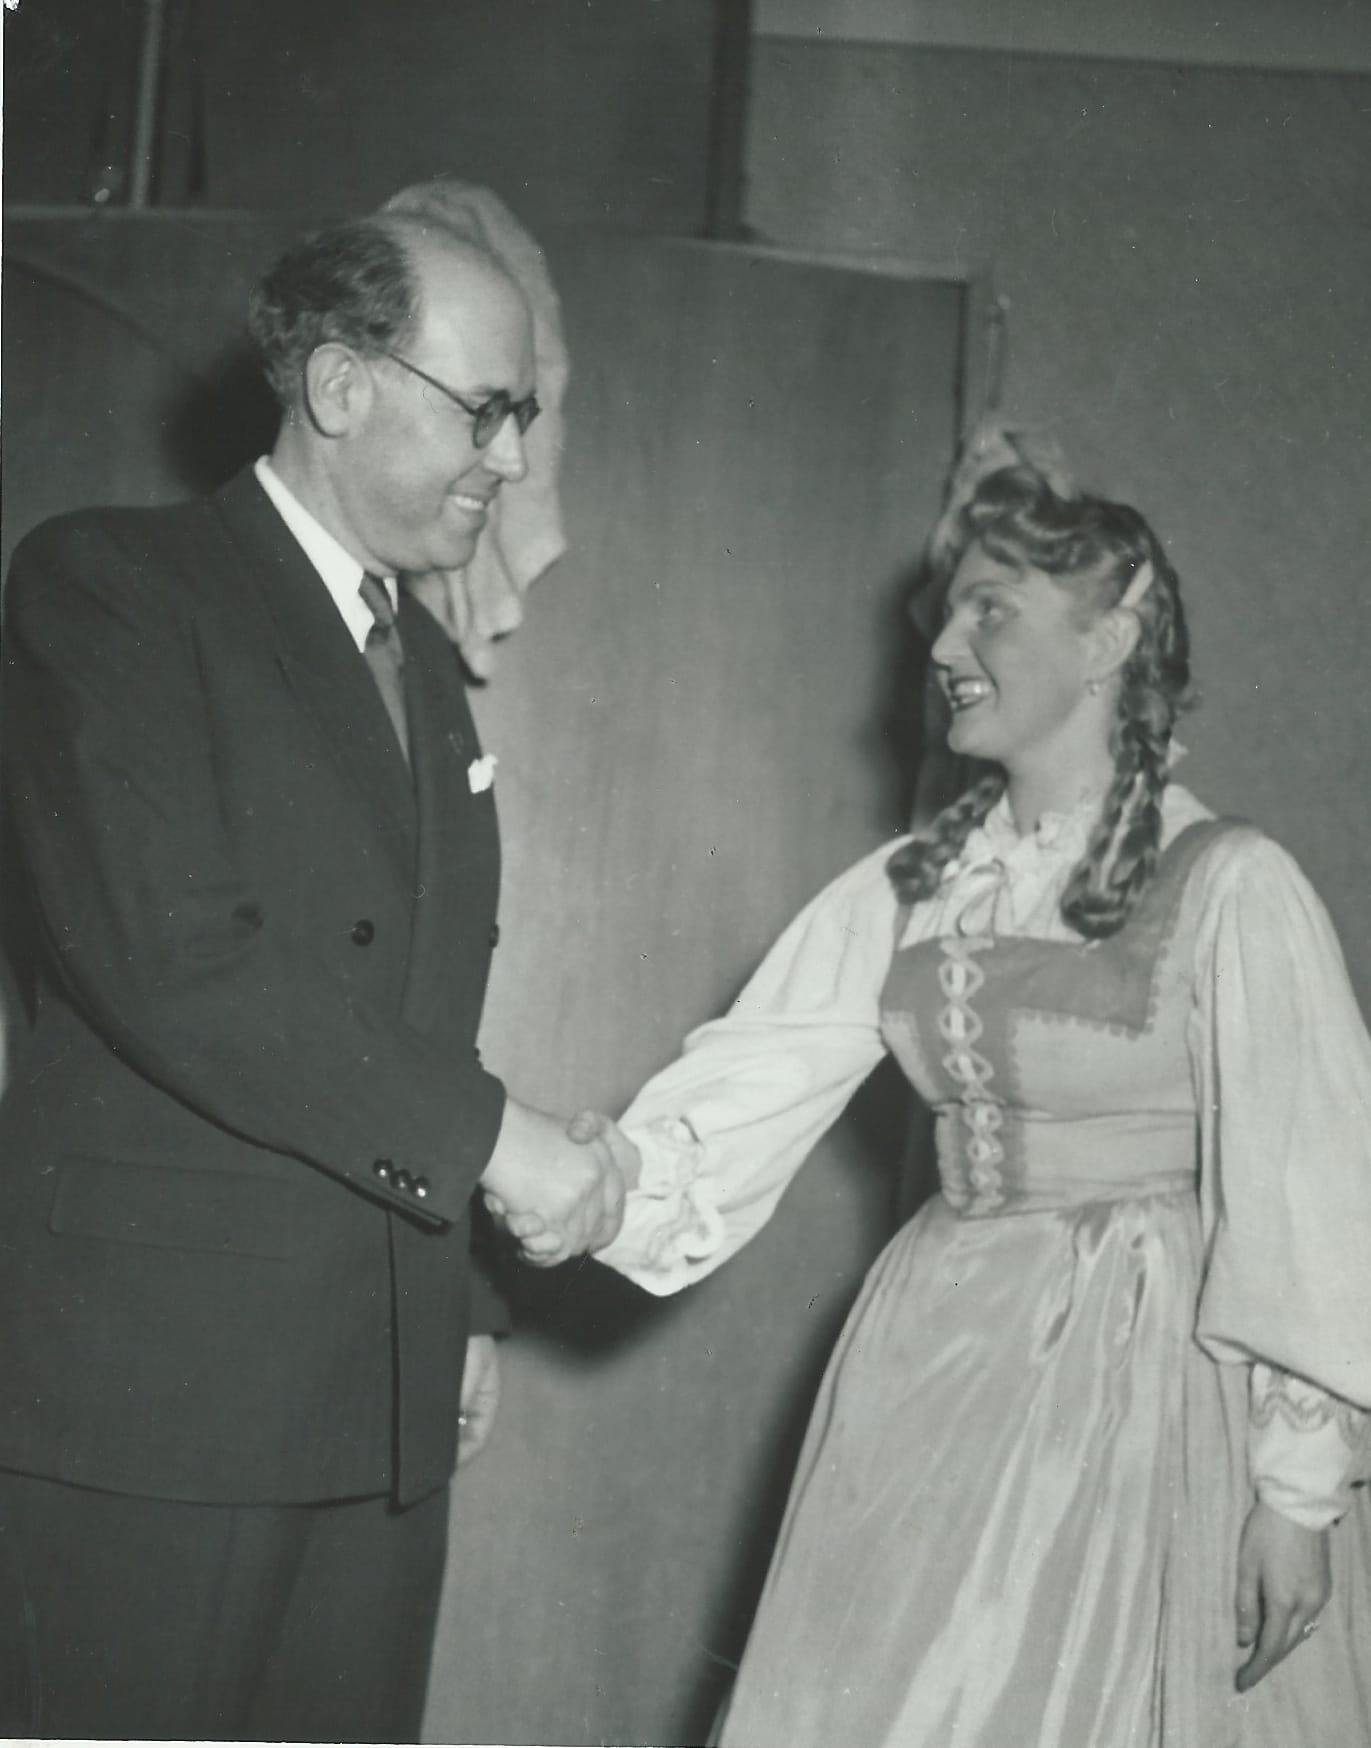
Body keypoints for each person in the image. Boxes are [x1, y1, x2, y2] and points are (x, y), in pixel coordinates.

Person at [563, 453, 1371, 1745]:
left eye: (990, 606)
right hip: (934, 1362)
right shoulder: (919, 881)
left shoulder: (1231, 883)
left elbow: (1316, 1194)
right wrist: (594, 1182)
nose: (944, 642)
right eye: (948, 610)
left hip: (1144, 1389)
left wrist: (1297, 1494)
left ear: (1110, 634)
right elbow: (752, 1079)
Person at [0, 212, 624, 1741]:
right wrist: (500, 1147)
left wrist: (461, 1303)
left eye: (521, 414)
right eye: (487, 408)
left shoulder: (417, 663)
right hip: (163, 1397)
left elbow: (404, 1007)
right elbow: (178, 963)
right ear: (342, 386)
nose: (510, 453)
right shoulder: (113, 588)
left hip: (376, 1390)